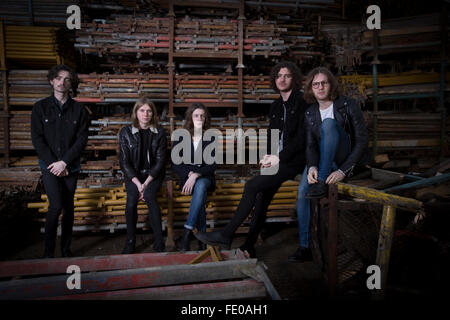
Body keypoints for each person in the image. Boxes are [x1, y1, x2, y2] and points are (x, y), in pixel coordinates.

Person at [195, 61, 308, 257]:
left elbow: (302, 139)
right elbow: (273, 135)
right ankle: (249, 246)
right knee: (262, 199)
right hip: (279, 159)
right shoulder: (275, 105)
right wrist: (268, 157)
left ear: (294, 79)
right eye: (278, 76)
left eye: (287, 76)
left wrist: (278, 158)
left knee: (251, 186)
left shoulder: (302, 101)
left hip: (296, 160)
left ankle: (226, 234)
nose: (282, 79)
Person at [291, 67, 370, 262]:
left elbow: (361, 141)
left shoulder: (347, 105)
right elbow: (310, 146)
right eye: (315, 84)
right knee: (302, 192)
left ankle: (322, 182)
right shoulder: (310, 113)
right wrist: (311, 167)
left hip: (344, 158)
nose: (319, 87)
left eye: (323, 83)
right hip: (322, 161)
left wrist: (344, 170)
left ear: (331, 85)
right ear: (311, 88)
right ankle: (305, 246)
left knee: (328, 125)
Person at [31, 64, 88, 258]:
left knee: (69, 208)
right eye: (59, 78)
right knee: (55, 206)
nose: (62, 82)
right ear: (51, 81)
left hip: (70, 166)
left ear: (71, 84)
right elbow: (37, 139)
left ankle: (65, 250)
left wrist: (64, 162)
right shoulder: (40, 108)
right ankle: (48, 253)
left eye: (67, 79)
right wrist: (54, 165)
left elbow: (81, 140)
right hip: (49, 166)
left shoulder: (79, 110)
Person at [119, 97, 167, 254]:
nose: (145, 114)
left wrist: (145, 184)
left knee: (151, 198)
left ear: (153, 114)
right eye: (142, 110)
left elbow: (160, 162)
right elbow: (124, 162)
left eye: (148, 111)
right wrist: (138, 184)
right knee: (131, 202)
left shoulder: (159, 132)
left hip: (153, 176)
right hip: (133, 176)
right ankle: (130, 241)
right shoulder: (126, 132)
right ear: (136, 113)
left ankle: (159, 241)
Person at [172, 103, 216, 251]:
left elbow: (212, 165)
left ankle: (187, 231)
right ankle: (202, 235)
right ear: (190, 117)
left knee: (202, 184)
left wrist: (197, 174)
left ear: (206, 119)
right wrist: (190, 175)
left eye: (202, 116)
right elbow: (175, 164)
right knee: (200, 192)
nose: (199, 118)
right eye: (196, 115)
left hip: (205, 177)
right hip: (187, 180)